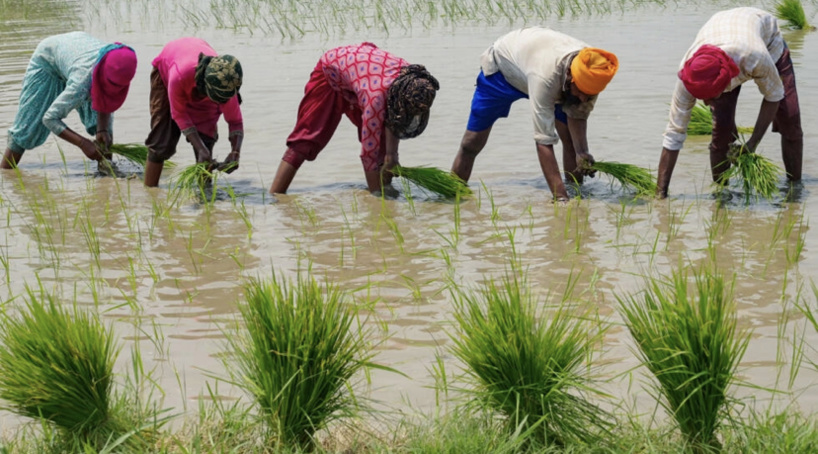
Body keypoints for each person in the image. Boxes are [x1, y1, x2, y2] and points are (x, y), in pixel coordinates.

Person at [450, 27, 619, 201]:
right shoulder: (546, 77)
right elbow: (543, 141)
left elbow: (577, 115)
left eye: (589, 95)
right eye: (581, 92)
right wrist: (560, 199)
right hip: (503, 72)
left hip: (545, 74)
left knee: (570, 140)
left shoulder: (593, 71)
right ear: (570, 77)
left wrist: (582, 152)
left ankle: (576, 192)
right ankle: (452, 195)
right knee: (471, 143)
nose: (584, 99)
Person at [656, 7, 802, 198]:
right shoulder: (688, 75)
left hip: (766, 39)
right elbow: (673, 135)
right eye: (702, 97)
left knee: (790, 116)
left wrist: (752, 143)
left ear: (725, 82)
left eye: (710, 97)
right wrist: (660, 194)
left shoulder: (755, 57)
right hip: (722, 31)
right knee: (721, 130)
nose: (706, 104)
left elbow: (773, 96)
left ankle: (795, 190)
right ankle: (722, 193)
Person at [269, 42, 440, 195]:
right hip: (330, 72)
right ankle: (274, 197)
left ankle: (387, 190)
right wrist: (377, 200)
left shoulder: (413, 79)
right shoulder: (376, 98)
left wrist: (391, 156)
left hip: (362, 73)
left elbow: (394, 116)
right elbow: (368, 154)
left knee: (382, 145)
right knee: (306, 140)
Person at [1, 32, 137, 170]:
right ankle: (5, 173)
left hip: (74, 53)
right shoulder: (82, 83)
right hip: (47, 61)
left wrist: (102, 129)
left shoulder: (119, 63)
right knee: (26, 127)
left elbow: (106, 99)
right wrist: (82, 143)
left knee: (105, 128)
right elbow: (49, 118)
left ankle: (107, 171)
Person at [144, 37, 244, 187]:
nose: (221, 104)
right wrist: (199, 147)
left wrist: (235, 152)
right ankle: (150, 192)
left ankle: (205, 198)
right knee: (161, 141)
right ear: (205, 88)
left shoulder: (225, 84)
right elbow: (179, 114)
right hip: (168, 70)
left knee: (206, 140)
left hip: (204, 83)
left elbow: (235, 121)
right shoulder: (179, 76)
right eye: (217, 99)